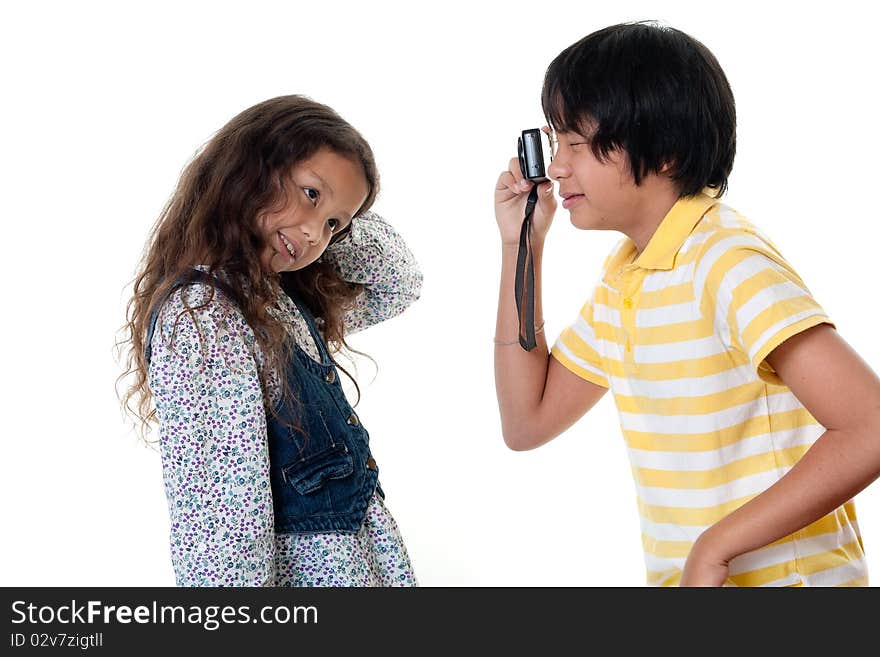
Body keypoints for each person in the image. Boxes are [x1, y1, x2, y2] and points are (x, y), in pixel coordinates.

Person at [493, 21, 880, 586]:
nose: (555, 166)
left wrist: (715, 548)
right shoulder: (629, 274)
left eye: (575, 143)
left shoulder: (724, 259)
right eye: (554, 142)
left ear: (666, 151)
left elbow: (868, 425)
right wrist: (520, 249)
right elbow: (526, 422)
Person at [120, 95, 421, 586]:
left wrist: (343, 209)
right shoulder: (205, 319)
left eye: (333, 226)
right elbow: (221, 525)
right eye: (310, 193)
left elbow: (399, 283)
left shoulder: (276, 300)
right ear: (252, 165)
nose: (312, 233)